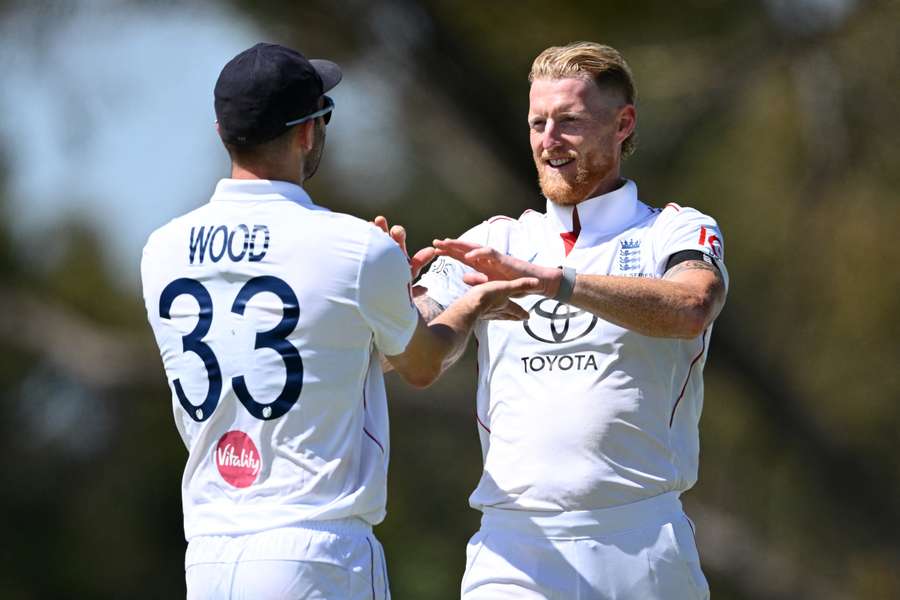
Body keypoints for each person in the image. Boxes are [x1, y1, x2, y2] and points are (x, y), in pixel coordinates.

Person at [140, 42, 538, 600]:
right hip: (317, 555)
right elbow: (421, 363)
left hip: (207, 557)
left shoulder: (160, 249)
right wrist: (467, 304)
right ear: (307, 131)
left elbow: (316, 350)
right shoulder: (355, 247)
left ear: (223, 132)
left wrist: (390, 300)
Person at [397, 41, 729, 599]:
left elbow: (693, 305)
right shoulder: (492, 241)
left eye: (569, 121)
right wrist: (382, 295)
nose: (548, 141)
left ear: (623, 124)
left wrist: (554, 280)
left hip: (642, 543)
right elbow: (411, 355)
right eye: (537, 123)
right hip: (513, 549)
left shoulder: (674, 230)